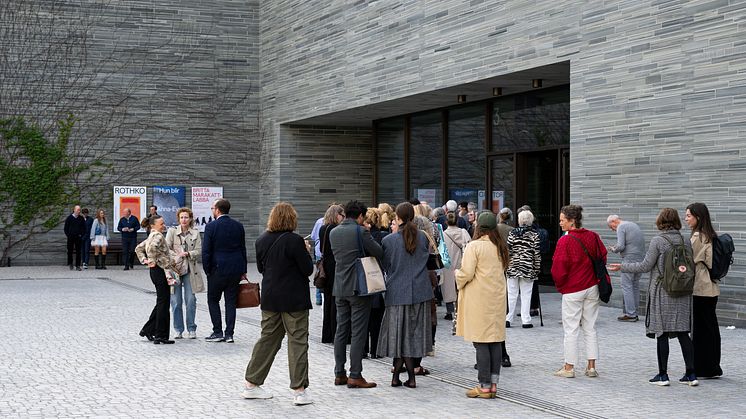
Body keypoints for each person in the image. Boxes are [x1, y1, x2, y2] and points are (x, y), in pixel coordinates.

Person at [609, 208, 698, 386]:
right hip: (683, 291)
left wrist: (623, 267)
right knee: (683, 333)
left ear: (660, 221)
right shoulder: (685, 239)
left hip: (662, 291)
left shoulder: (659, 240)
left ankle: (663, 375)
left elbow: (645, 265)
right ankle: (691, 374)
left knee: (662, 333)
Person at [243, 202, 314, 405]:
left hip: (270, 297)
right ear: (292, 218)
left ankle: (251, 384)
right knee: (298, 341)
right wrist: (306, 250)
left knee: (267, 339)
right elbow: (307, 269)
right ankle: (299, 391)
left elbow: (261, 268)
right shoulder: (295, 241)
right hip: (295, 299)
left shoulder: (261, 240)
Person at [377, 202, 434, 389]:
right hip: (420, 292)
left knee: (398, 335)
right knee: (411, 336)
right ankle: (410, 377)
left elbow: (386, 266)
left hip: (396, 292)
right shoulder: (423, 238)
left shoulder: (388, 241)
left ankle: (400, 377)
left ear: (397, 218)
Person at [329, 200, 383, 389]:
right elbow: (378, 252)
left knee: (341, 330)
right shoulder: (361, 231)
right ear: (360, 216)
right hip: (359, 287)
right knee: (359, 332)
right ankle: (355, 374)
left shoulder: (333, 232)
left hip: (339, 287)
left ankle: (339, 373)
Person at [456, 211, 510, 399]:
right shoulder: (500, 246)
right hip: (497, 298)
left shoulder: (474, 246)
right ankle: (493, 385)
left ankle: (484, 386)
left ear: (478, 227)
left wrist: (457, 275)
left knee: (480, 342)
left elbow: (467, 273)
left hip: (479, 299)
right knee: (495, 340)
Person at [551, 204, 604, 378]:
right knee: (590, 327)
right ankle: (591, 366)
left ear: (571, 221)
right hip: (592, 286)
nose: (560, 223)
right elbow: (602, 255)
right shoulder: (593, 236)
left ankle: (569, 367)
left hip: (573, 288)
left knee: (571, 329)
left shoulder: (565, 241)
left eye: (562, 220)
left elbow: (558, 269)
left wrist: (562, 287)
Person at [202, 198, 247, 343]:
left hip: (217, 269)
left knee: (213, 300)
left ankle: (217, 331)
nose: (212, 211)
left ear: (217, 210)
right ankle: (229, 334)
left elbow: (206, 251)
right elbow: (242, 249)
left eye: (212, 208)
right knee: (231, 302)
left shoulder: (211, 227)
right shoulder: (238, 226)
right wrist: (243, 270)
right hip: (235, 269)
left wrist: (207, 269)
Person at [685, 202, 723, 378]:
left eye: (688, 216)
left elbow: (690, 261)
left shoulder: (698, 237)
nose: (686, 219)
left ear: (698, 217)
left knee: (700, 329)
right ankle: (713, 365)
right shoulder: (710, 234)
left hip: (701, 287)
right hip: (711, 287)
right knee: (711, 328)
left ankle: (703, 367)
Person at [135, 215, 177, 344]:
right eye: (161, 223)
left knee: (162, 302)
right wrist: (152, 261)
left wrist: (145, 260)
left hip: (155, 272)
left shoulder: (150, 236)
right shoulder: (157, 236)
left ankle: (149, 330)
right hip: (160, 271)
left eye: (163, 223)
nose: (163, 225)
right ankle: (160, 335)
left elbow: (138, 249)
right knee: (163, 303)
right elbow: (152, 248)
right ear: (153, 225)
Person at [165, 207, 205, 340]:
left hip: (190, 270)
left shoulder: (195, 233)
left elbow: (199, 250)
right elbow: (166, 249)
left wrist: (188, 253)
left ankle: (191, 328)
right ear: (178, 219)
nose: (184, 220)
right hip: (175, 269)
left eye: (186, 217)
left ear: (190, 219)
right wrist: (176, 255)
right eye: (181, 217)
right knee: (176, 301)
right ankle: (178, 329)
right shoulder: (171, 232)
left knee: (190, 300)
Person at [606, 215, 645, 322]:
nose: (612, 229)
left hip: (629, 259)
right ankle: (634, 312)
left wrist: (612, 249)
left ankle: (631, 314)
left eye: (611, 227)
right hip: (640, 259)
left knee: (626, 285)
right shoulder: (633, 224)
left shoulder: (621, 227)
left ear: (614, 221)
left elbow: (621, 246)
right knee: (635, 286)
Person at [506, 209, 541, 328]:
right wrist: (537, 269)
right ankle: (526, 320)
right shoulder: (534, 235)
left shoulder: (512, 233)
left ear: (520, 220)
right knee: (526, 294)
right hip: (527, 267)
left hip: (513, 266)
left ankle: (508, 318)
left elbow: (508, 250)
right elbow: (536, 253)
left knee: (511, 294)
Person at [318, 204, 345, 344]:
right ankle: (336, 333)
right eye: (342, 215)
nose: (343, 218)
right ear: (337, 215)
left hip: (326, 266)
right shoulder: (336, 230)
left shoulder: (323, 228)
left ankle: (326, 334)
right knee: (335, 301)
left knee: (328, 301)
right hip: (335, 265)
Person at [364, 207, 387, 359]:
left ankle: (364, 349)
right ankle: (376, 349)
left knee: (364, 316)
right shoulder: (380, 236)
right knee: (376, 315)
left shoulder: (360, 236)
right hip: (376, 276)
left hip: (363, 277)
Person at [441, 212, 471, 320]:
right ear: (457, 220)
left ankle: (450, 311)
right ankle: (462, 309)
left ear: (446, 222)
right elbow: (469, 246)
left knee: (448, 288)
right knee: (462, 286)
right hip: (462, 263)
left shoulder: (443, 234)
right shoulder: (464, 232)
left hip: (448, 265)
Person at [64, 205, 86, 271]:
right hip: (70, 237)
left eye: (79, 210)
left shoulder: (81, 218)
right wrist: (68, 235)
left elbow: (84, 228)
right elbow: (66, 228)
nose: (79, 211)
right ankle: (70, 263)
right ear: (74, 210)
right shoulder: (69, 218)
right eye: (77, 210)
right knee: (70, 251)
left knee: (78, 252)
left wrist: (81, 235)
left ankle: (78, 265)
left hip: (78, 237)